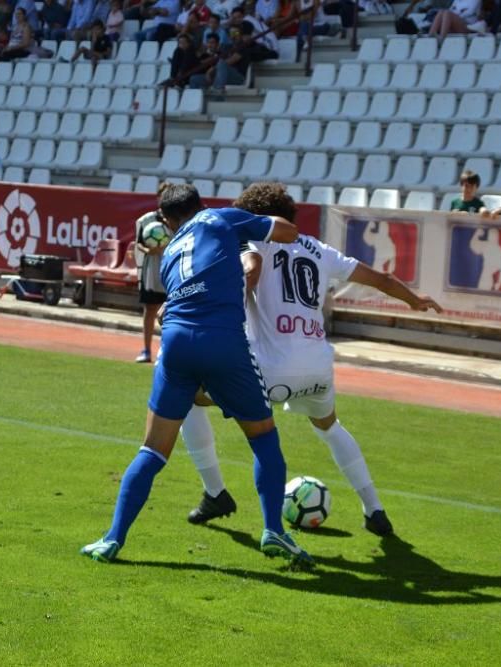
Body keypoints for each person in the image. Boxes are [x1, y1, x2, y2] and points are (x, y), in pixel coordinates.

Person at [179, 182, 442, 536]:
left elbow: (248, 270)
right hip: (317, 367)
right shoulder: (320, 250)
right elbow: (380, 278)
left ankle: (216, 493)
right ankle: (374, 509)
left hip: (270, 369)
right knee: (330, 427)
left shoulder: (253, 243)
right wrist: (413, 299)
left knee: (186, 395)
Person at [79, 184, 314, 568]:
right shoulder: (219, 217)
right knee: (263, 437)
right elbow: (287, 232)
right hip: (222, 340)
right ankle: (274, 530)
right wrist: (263, 227)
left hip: (174, 344)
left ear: (167, 222)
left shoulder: (170, 250)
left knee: (152, 450)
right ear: (200, 204)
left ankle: (111, 538)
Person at [133, 208, 168, 363]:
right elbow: (138, 243)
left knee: (170, 313)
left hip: (170, 270)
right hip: (151, 271)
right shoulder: (147, 220)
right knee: (150, 308)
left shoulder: (179, 218)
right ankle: (146, 350)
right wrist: (149, 249)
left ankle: (167, 351)